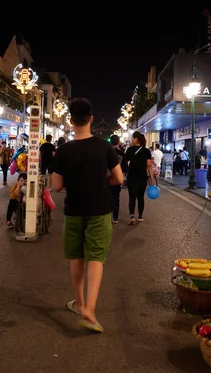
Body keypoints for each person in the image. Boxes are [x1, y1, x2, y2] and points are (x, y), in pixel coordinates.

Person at [52, 98, 124, 333]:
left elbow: (56, 186)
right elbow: (119, 179)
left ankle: (80, 303)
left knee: (76, 256)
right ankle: (89, 311)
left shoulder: (63, 150)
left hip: (74, 210)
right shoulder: (105, 147)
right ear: (91, 119)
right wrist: (102, 182)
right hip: (100, 210)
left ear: (70, 120)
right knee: (96, 257)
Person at [125, 131, 156, 225]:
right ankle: (140, 216)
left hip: (131, 176)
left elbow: (125, 161)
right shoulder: (146, 151)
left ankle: (131, 216)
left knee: (132, 197)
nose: (132, 139)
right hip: (142, 177)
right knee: (140, 197)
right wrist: (152, 179)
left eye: (133, 138)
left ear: (136, 139)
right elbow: (149, 165)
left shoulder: (130, 150)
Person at [109, 134, 126, 224]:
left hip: (107, 178)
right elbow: (124, 168)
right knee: (116, 198)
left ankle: (107, 216)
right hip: (117, 178)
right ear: (118, 142)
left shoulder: (106, 152)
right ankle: (115, 217)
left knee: (107, 197)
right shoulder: (122, 154)